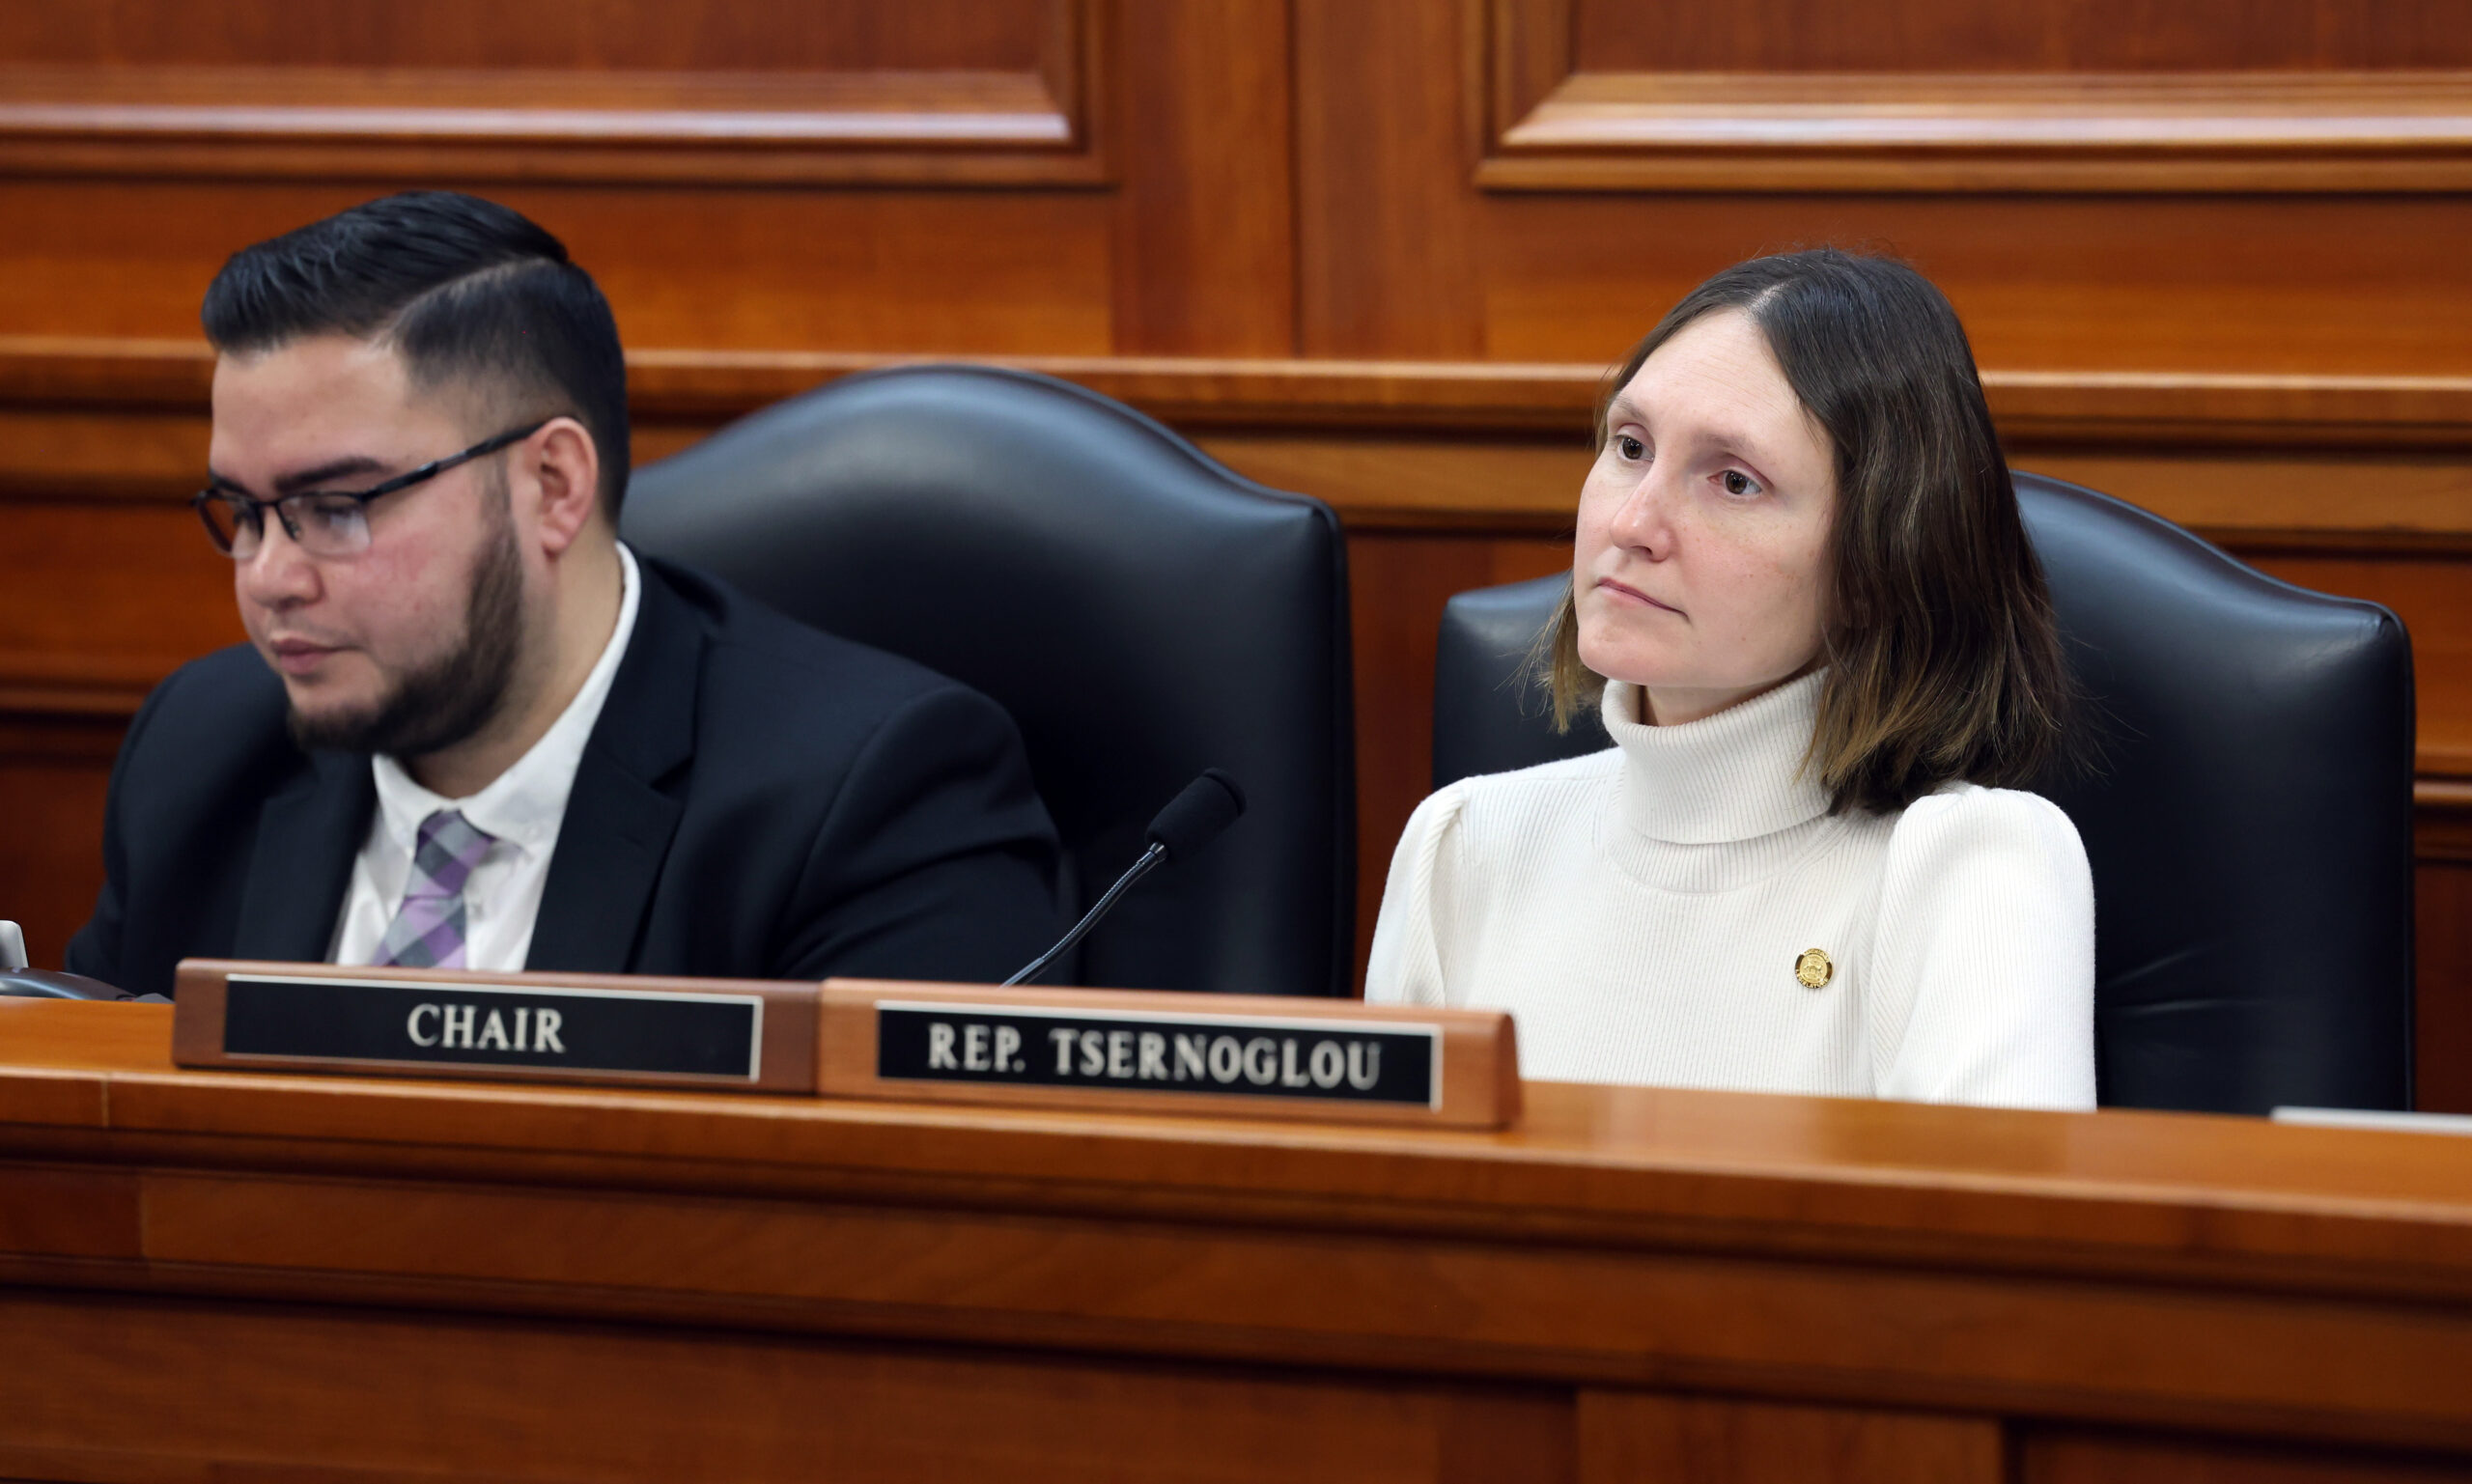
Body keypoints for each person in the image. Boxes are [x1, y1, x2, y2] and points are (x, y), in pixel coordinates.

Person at [68, 191, 1062, 999]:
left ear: (551, 486)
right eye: (242, 510)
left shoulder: (868, 801)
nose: (270, 577)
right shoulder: (200, 753)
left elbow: (884, 1232)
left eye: (336, 506)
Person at [1364, 249, 2095, 1108]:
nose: (1632, 522)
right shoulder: (1462, 847)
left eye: (1734, 480)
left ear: (1877, 568)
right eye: (1629, 446)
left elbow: (1996, 1239)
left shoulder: (1969, 868)